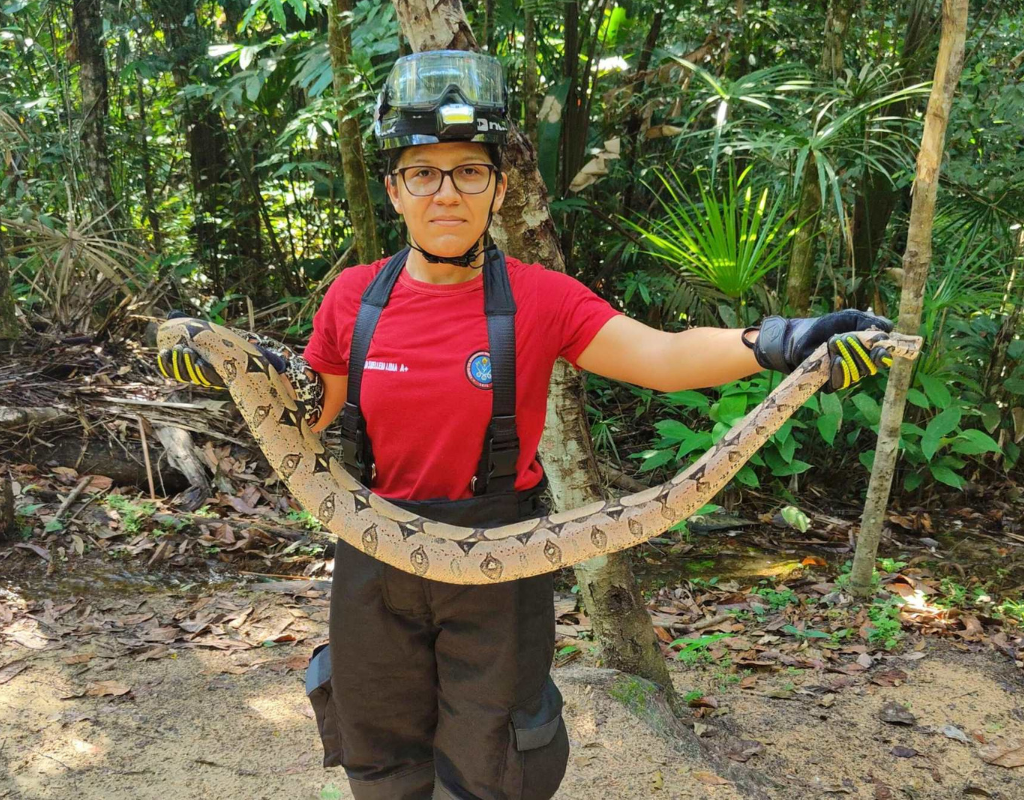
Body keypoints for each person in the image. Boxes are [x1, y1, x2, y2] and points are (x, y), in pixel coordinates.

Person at [158, 50, 892, 800]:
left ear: (499, 188)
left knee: (495, 755)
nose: (446, 192)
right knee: (378, 742)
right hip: (373, 546)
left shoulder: (542, 299)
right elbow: (314, 415)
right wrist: (234, 373)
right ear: (395, 190)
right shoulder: (354, 298)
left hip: (500, 553)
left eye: (468, 172)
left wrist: (781, 342)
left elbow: (664, 356)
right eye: (423, 172)